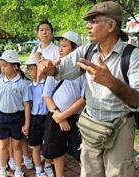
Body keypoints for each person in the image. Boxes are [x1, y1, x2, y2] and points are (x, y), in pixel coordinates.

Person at [36, 1, 139, 177]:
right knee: (89, 173)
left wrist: (111, 82)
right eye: (88, 21)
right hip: (91, 125)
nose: (88, 26)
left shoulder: (132, 55)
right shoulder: (87, 50)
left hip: (120, 126)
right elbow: (63, 68)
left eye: (94, 21)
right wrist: (51, 69)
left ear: (111, 25)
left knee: (117, 173)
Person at [40, 31, 85, 177]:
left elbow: (84, 98)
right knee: (56, 149)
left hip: (77, 118)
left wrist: (64, 116)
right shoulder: (54, 67)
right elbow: (47, 95)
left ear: (76, 48)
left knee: (81, 153)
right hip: (56, 115)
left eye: (64, 46)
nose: (60, 49)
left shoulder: (83, 69)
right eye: (60, 45)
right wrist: (58, 115)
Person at [0, 50, 31, 177]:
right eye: (1, 65)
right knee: (3, 145)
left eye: (5, 65)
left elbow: (26, 105)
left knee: (17, 145)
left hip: (17, 118)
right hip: (1, 117)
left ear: (15, 66)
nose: (2, 68)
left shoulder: (23, 84)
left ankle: (18, 169)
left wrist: (27, 124)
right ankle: (2, 169)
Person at [24, 55, 53, 177]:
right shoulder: (29, 87)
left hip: (47, 117)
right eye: (28, 68)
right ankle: (38, 170)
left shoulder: (48, 83)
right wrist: (27, 124)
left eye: (31, 68)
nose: (28, 71)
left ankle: (47, 165)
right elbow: (28, 105)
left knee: (48, 143)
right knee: (36, 146)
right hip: (35, 118)